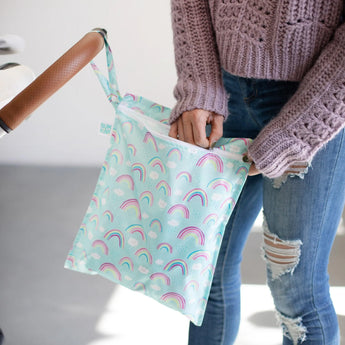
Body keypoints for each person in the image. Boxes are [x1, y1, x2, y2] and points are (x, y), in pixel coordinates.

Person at [168, 1, 345, 344]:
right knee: (206, 270)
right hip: (222, 95)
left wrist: (295, 132)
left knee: (297, 293)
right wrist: (199, 83)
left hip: (315, 103)